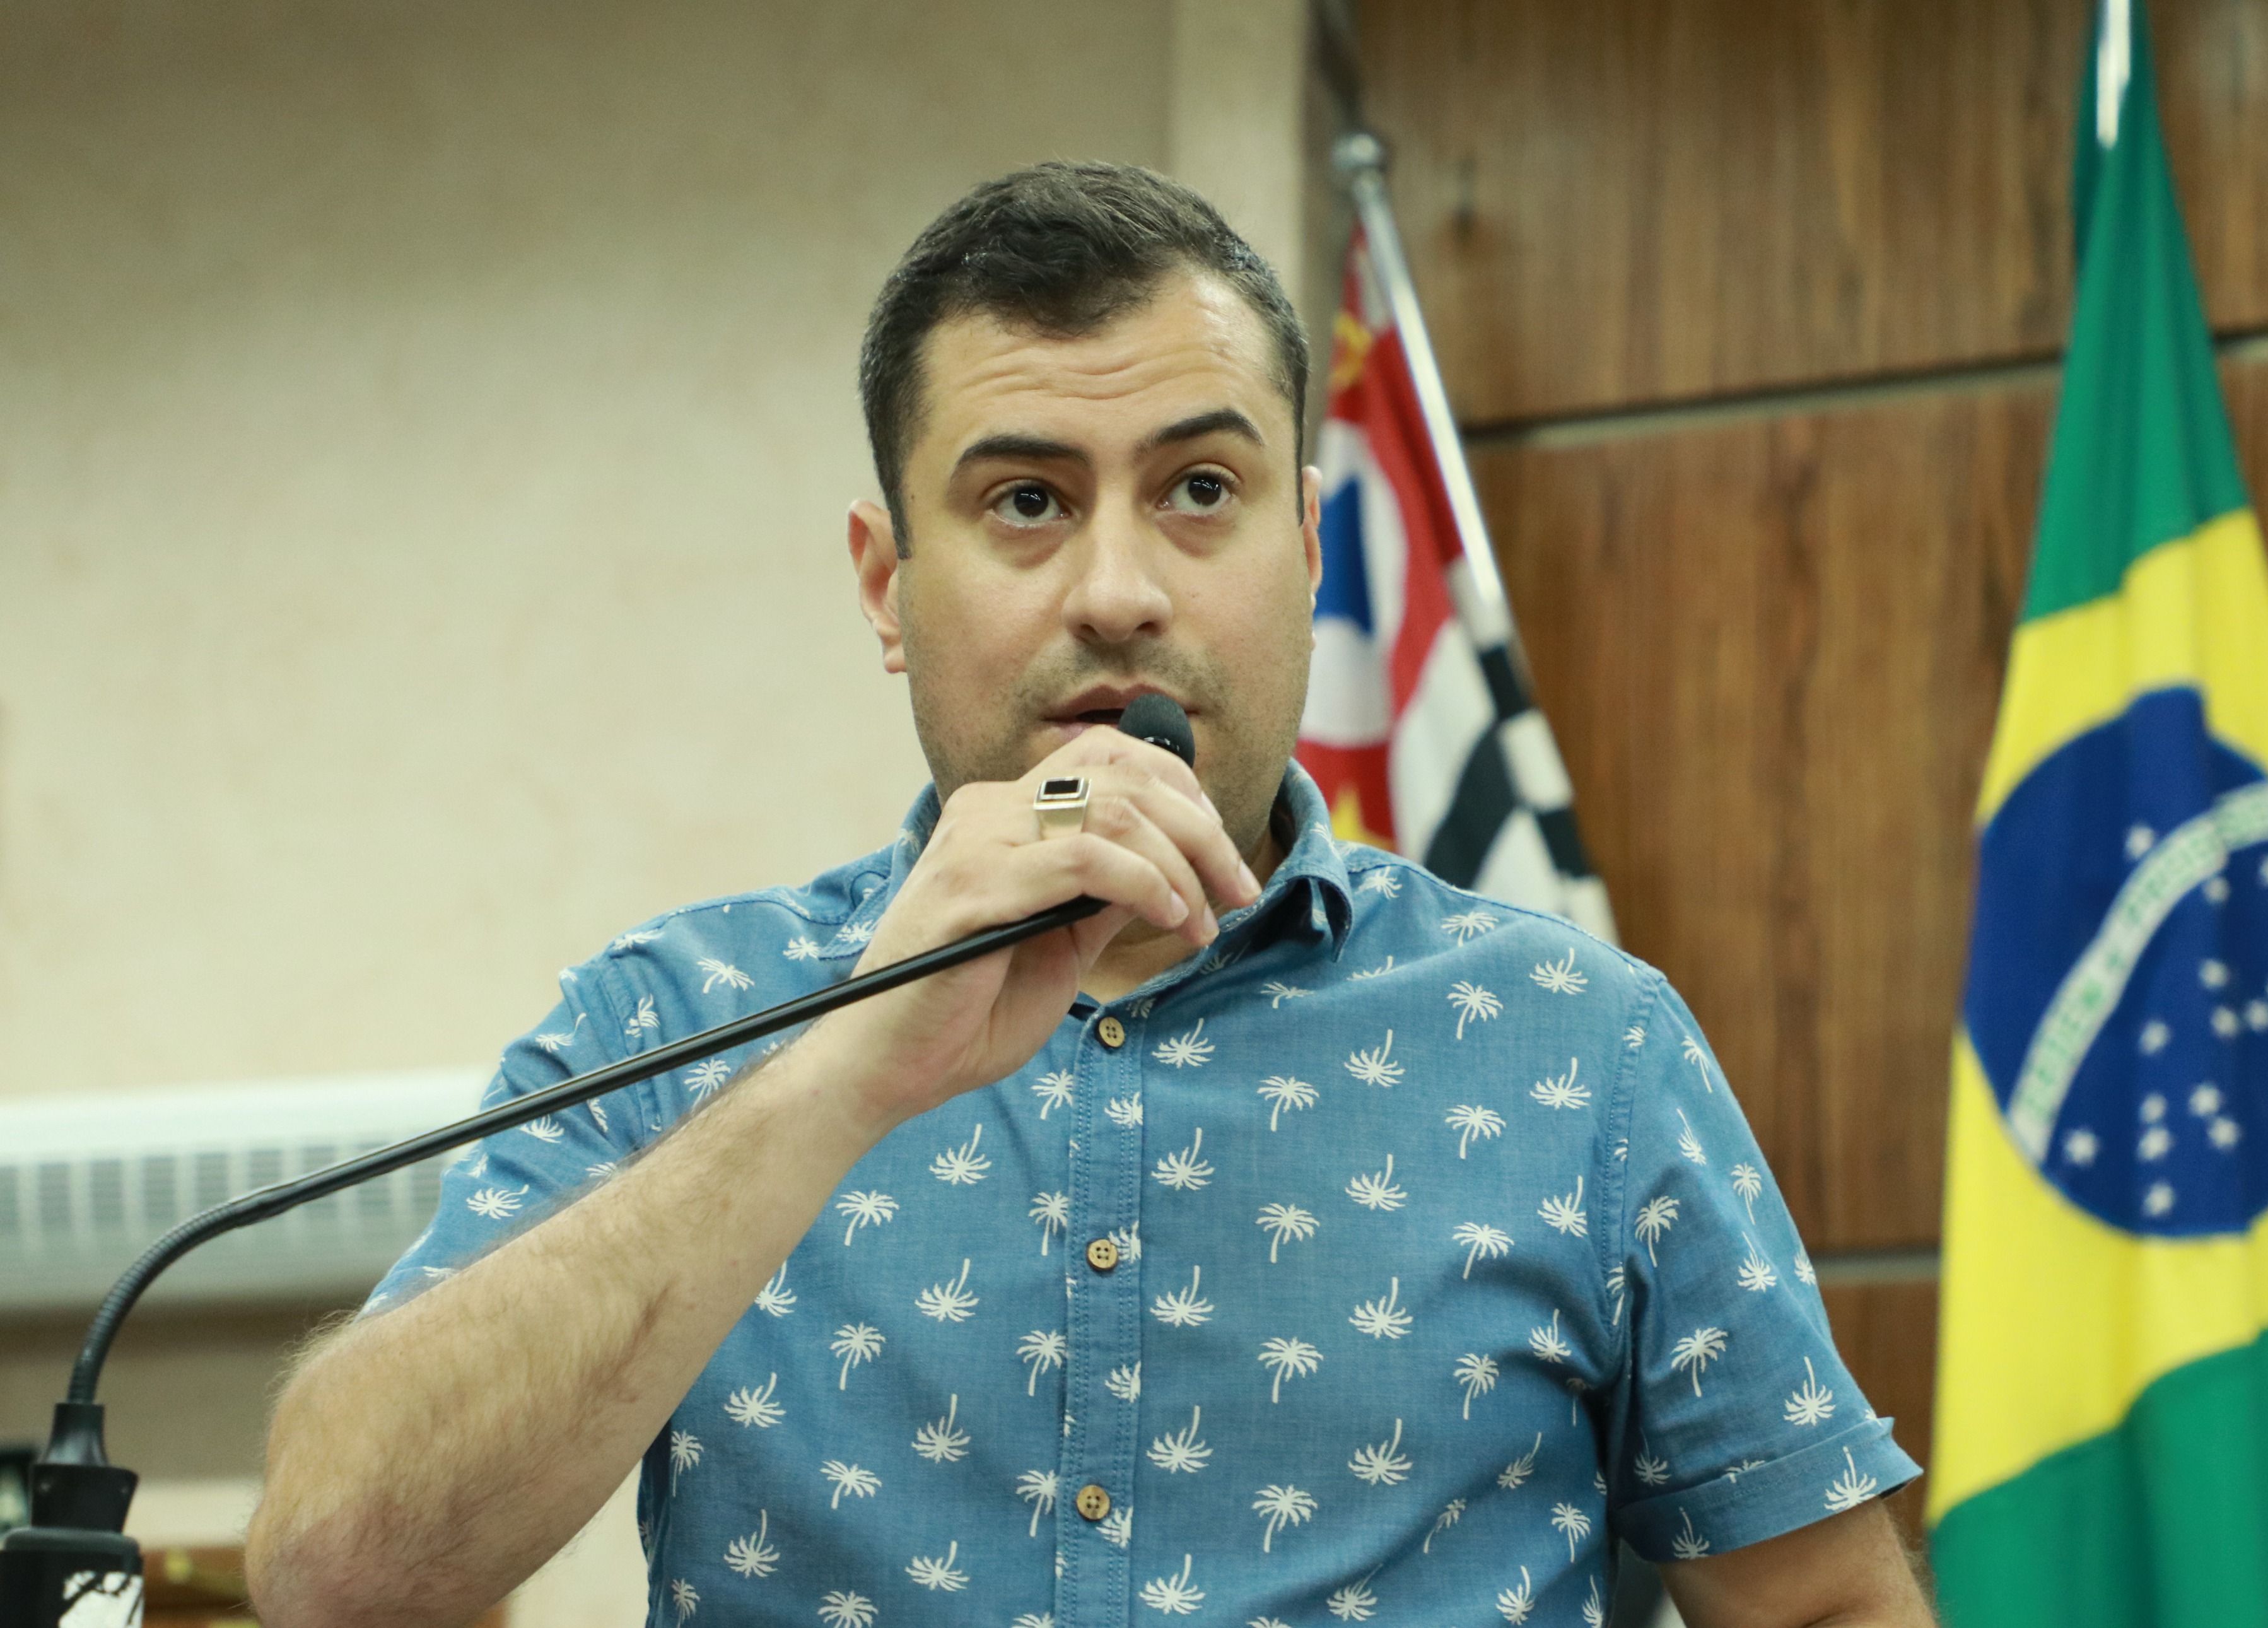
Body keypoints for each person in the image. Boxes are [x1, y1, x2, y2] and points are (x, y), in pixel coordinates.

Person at [248, 161, 1932, 1628]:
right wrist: (838, 1077)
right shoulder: (669, 1020)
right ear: (887, 586)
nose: (1119, 592)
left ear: (1310, 551)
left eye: (1200, 490)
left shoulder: (1580, 1043)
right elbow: (339, 1569)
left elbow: (1820, 1608)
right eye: (1027, 503)